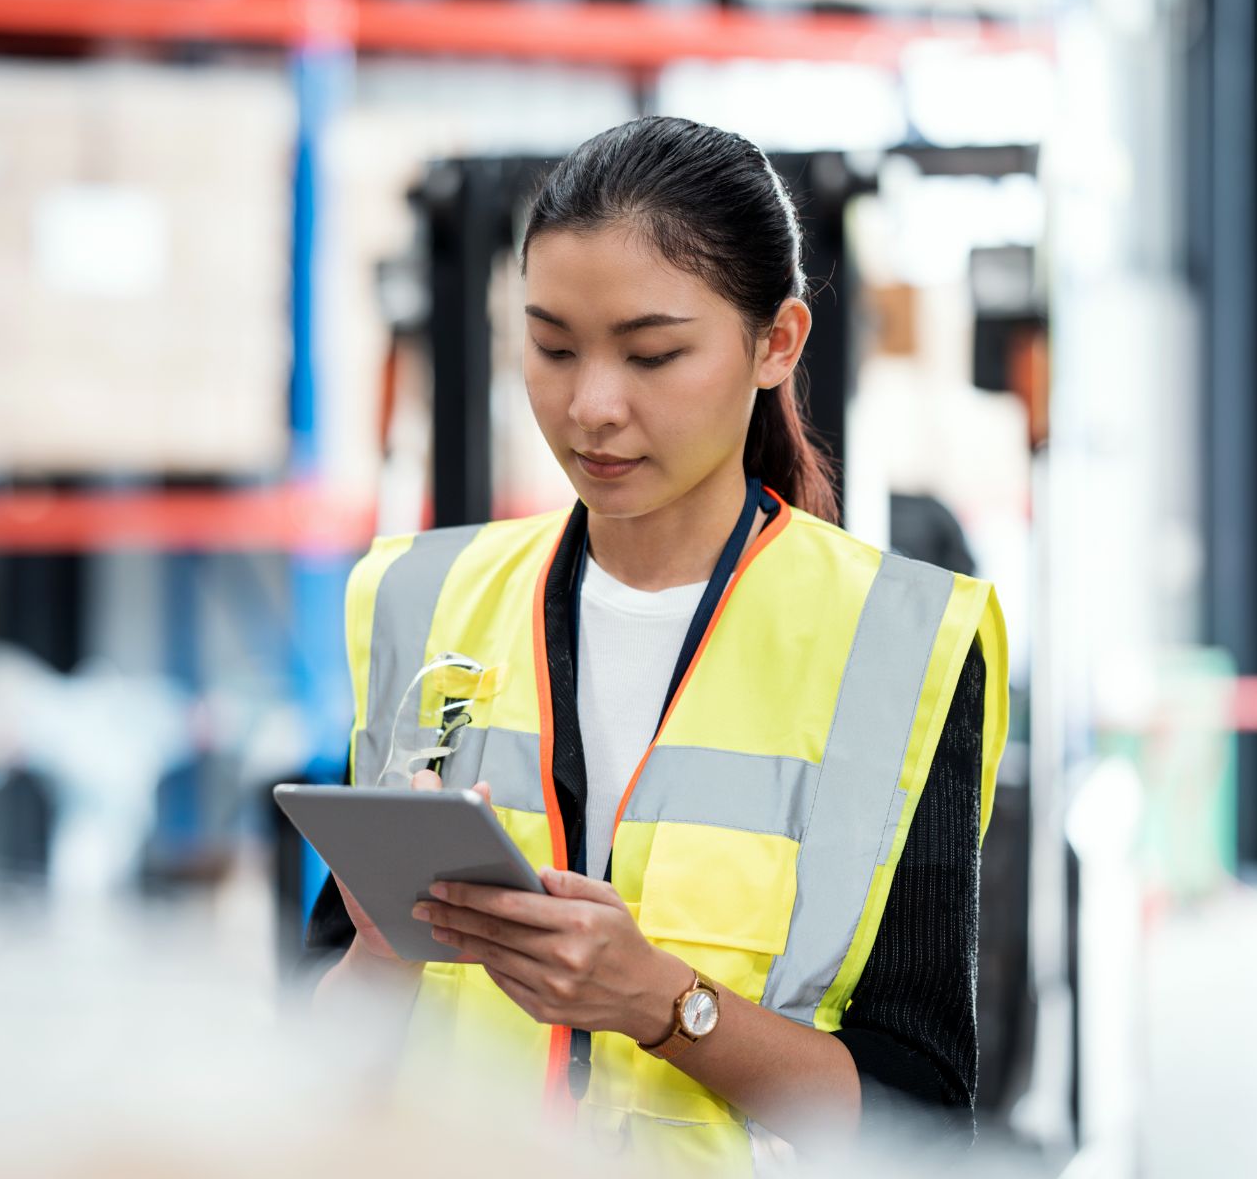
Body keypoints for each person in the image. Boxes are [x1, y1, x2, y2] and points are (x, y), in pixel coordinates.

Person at [307, 117, 1007, 1173]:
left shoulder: (899, 641)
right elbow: (311, 1060)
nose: (590, 406)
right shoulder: (422, 597)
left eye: (652, 353)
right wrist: (374, 952)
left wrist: (662, 1004)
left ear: (777, 344)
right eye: (549, 346)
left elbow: (921, 1112)